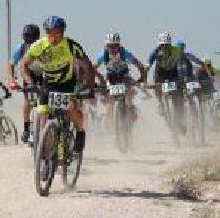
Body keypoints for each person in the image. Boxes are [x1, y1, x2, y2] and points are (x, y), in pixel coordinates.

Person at [17, 15, 93, 152]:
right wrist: (30, 83)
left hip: (67, 83)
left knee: (71, 109)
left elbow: (87, 65)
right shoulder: (39, 46)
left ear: (62, 33)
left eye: (56, 33)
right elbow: (23, 64)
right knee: (41, 113)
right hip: (48, 84)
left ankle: (80, 132)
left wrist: (87, 85)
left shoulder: (71, 46)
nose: (53, 37)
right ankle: (44, 151)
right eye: (49, 33)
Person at [94, 32, 148, 128]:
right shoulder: (103, 55)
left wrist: (142, 79)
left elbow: (139, 65)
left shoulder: (125, 53)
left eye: (115, 46)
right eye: (110, 46)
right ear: (107, 46)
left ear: (119, 46)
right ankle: (109, 125)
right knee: (110, 100)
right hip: (111, 78)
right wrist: (95, 80)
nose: (112, 49)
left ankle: (131, 108)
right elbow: (92, 68)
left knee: (128, 94)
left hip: (124, 76)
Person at [8, 23, 42, 143]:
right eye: (26, 37)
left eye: (31, 37)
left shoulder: (43, 46)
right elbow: (11, 64)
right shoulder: (21, 48)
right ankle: (27, 128)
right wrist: (12, 80)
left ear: (37, 37)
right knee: (28, 100)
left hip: (44, 74)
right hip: (29, 75)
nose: (28, 40)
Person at [146, 32, 191, 117]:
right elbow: (148, 66)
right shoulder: (155, 52)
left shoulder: (176, 51)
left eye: (167, 45)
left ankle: (180, 111)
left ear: (170, 44)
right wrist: (144, 80)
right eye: (162, 45)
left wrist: (185, 77)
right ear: (159, 45)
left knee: (179, 90)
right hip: (160, 72)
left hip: (173, 72)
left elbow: (184, 63)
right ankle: (160, 103)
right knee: (157, 86)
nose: (165, 47)